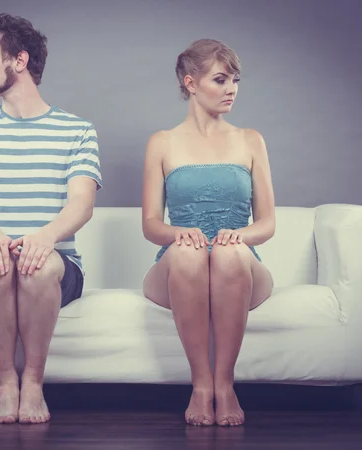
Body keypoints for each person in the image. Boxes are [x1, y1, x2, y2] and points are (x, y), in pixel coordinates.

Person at [0, 13, 102, 424]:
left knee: (36, 264)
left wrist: (44, 238)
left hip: (55, 265)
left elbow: (81, 205)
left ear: (19, 60)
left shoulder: (78, 131)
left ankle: (32, 384)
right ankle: (6, 385)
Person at [141, 39, 275, 427]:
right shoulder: (162, 142)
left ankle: (225, 385)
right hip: (181, 262)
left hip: (238, 261)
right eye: (220, 79)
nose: (231, 88)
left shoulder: (251, 139)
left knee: (228, 254)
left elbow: (267, 223)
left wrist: (240, 237)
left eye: (235, 79)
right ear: (191, 82)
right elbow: (151, 225)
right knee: (187, 252)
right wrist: (180, 233)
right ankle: (201, 386)